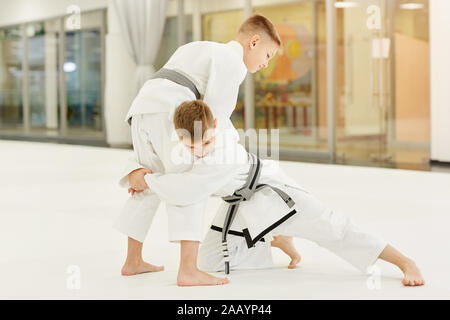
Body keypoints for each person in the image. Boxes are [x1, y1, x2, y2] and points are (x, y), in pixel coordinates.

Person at [136, 100, 425, 287]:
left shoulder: (221, 156)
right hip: (241, 202)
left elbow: (187, 189)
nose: (199, 151)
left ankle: (404, 261)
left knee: (336, 229)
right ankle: (275, 237)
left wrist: (147, 180)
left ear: (214, 127)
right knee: (212, 261)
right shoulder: (198, 132)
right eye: (190, 147)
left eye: (206, 142)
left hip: (277, 193)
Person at [114, 14, 282, 286]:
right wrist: (203, 146)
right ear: (253, 42)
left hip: (142, 109)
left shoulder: (198, 47)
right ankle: (188, 270)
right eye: (267, 54)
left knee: (146, 179)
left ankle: (133, 261)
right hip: (171, 111)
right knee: (191, 181)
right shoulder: (232, 61)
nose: (265, 63)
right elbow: (215, 115)